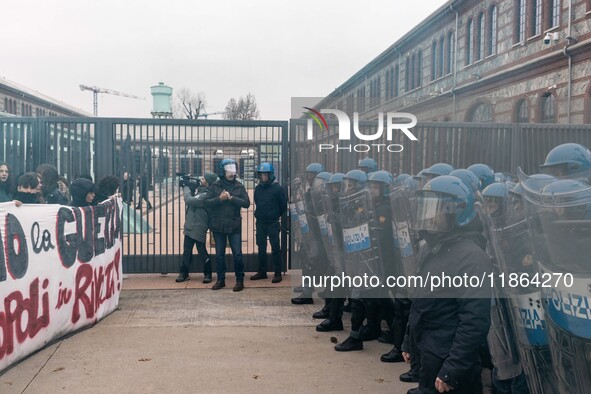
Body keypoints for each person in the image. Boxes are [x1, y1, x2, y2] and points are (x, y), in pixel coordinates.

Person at [407, 175, 491, 394]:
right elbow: (420, 300)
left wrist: (452, 370)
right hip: (430, 355)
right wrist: (409, 341)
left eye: (436, 209)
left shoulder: (471, 257)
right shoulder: (431, 247)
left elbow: (474, 322)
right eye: (426, 208)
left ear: (457, 212)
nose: (430, 216)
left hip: (451, 365)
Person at [205, 159, 250, 292]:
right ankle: (220, 280)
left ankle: (239, 280)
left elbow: (246, 203)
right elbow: (207, 203)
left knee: (237, 254)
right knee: (219, 254)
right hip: (218, 225)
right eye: (229, 170)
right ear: (223, 171)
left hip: (234, 225)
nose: (231, 172)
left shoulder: (239, 186)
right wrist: (220, 199)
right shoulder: (215, 186)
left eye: (233, 169)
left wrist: (232, 199)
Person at [176, 172, 217, 284]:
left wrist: (186, 187)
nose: (201, 180)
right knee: (187, 251)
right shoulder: (201, 191)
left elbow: (190, 200)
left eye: (203, 179)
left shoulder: (207, 194)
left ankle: (208, 273)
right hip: (190, 225)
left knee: (202, 251)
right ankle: (184, 273)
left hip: (199, 226)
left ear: (208, 182)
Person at [251, 162, 287, 283]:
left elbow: (283, 206)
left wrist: (274, 215)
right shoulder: (258, 188)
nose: (263, 177)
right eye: (261, 175)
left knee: (275, 248)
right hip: (260, 222)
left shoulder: (278, 188)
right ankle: (262, 272)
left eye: (265, 174)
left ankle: (278, 273)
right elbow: (256, 201)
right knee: (261, 248)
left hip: (272, 222)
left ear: (270, 175)